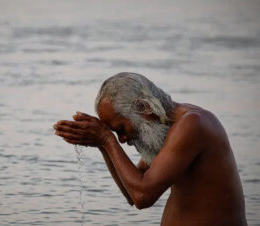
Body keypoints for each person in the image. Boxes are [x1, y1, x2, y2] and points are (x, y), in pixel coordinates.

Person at [53, 72, 247, 226]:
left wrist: (106, 139)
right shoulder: (164, 129)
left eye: (121, 129)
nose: (122, 140)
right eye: (115, 133)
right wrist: (102, 145)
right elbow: (132, 192)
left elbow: (143, 196)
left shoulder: (192, 125)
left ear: (143, 107)